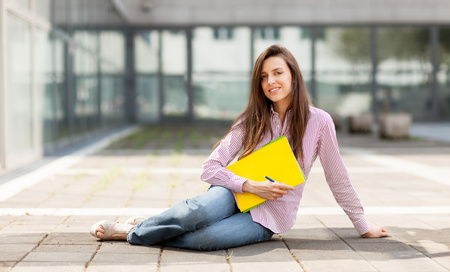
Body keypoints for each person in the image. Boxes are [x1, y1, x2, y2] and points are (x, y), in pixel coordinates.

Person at [90, 45, 389, 251]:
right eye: (263, 77)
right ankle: (137, 229)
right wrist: (248, 185)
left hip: (270, 216)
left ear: (293, 76)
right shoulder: (252, 119)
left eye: (277, 73)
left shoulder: (319, 121)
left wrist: (362, 225)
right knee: (192, 214)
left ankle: (139, 229)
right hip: (235, 191)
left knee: (203, 241)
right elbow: (209, 168)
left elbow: (337, 177)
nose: (270, 81)